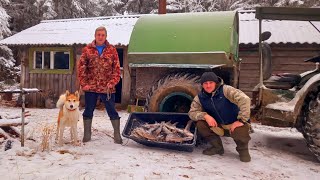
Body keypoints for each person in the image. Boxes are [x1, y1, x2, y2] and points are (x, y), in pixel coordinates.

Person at [188, 72, 251, 162]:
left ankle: (243, 151)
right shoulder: (200, 97)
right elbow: (192, 113)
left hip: (234, 124)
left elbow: (245, 99)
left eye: (211, 82)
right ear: (202, 85)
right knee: (200, 124)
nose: (208, 85)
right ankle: (217, 147)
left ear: (216, 83)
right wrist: (205, 116)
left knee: (245, 156)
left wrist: (241, 120)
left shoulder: (226, 90)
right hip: (218, 125)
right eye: (205, 83)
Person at [77, 26, 122, 144]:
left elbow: (117, 70)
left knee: (112, 110)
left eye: (103, 35)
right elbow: (81, 68)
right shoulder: (87, 49)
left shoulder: (112, 50)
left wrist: (112, 83)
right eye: (98, 35)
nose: (100, 37)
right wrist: (84, 84)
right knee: (88, 110)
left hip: (107, 88)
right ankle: (87, 135)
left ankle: (117, 135)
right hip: (91, 87)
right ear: (95, 36)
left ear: (106, 36)